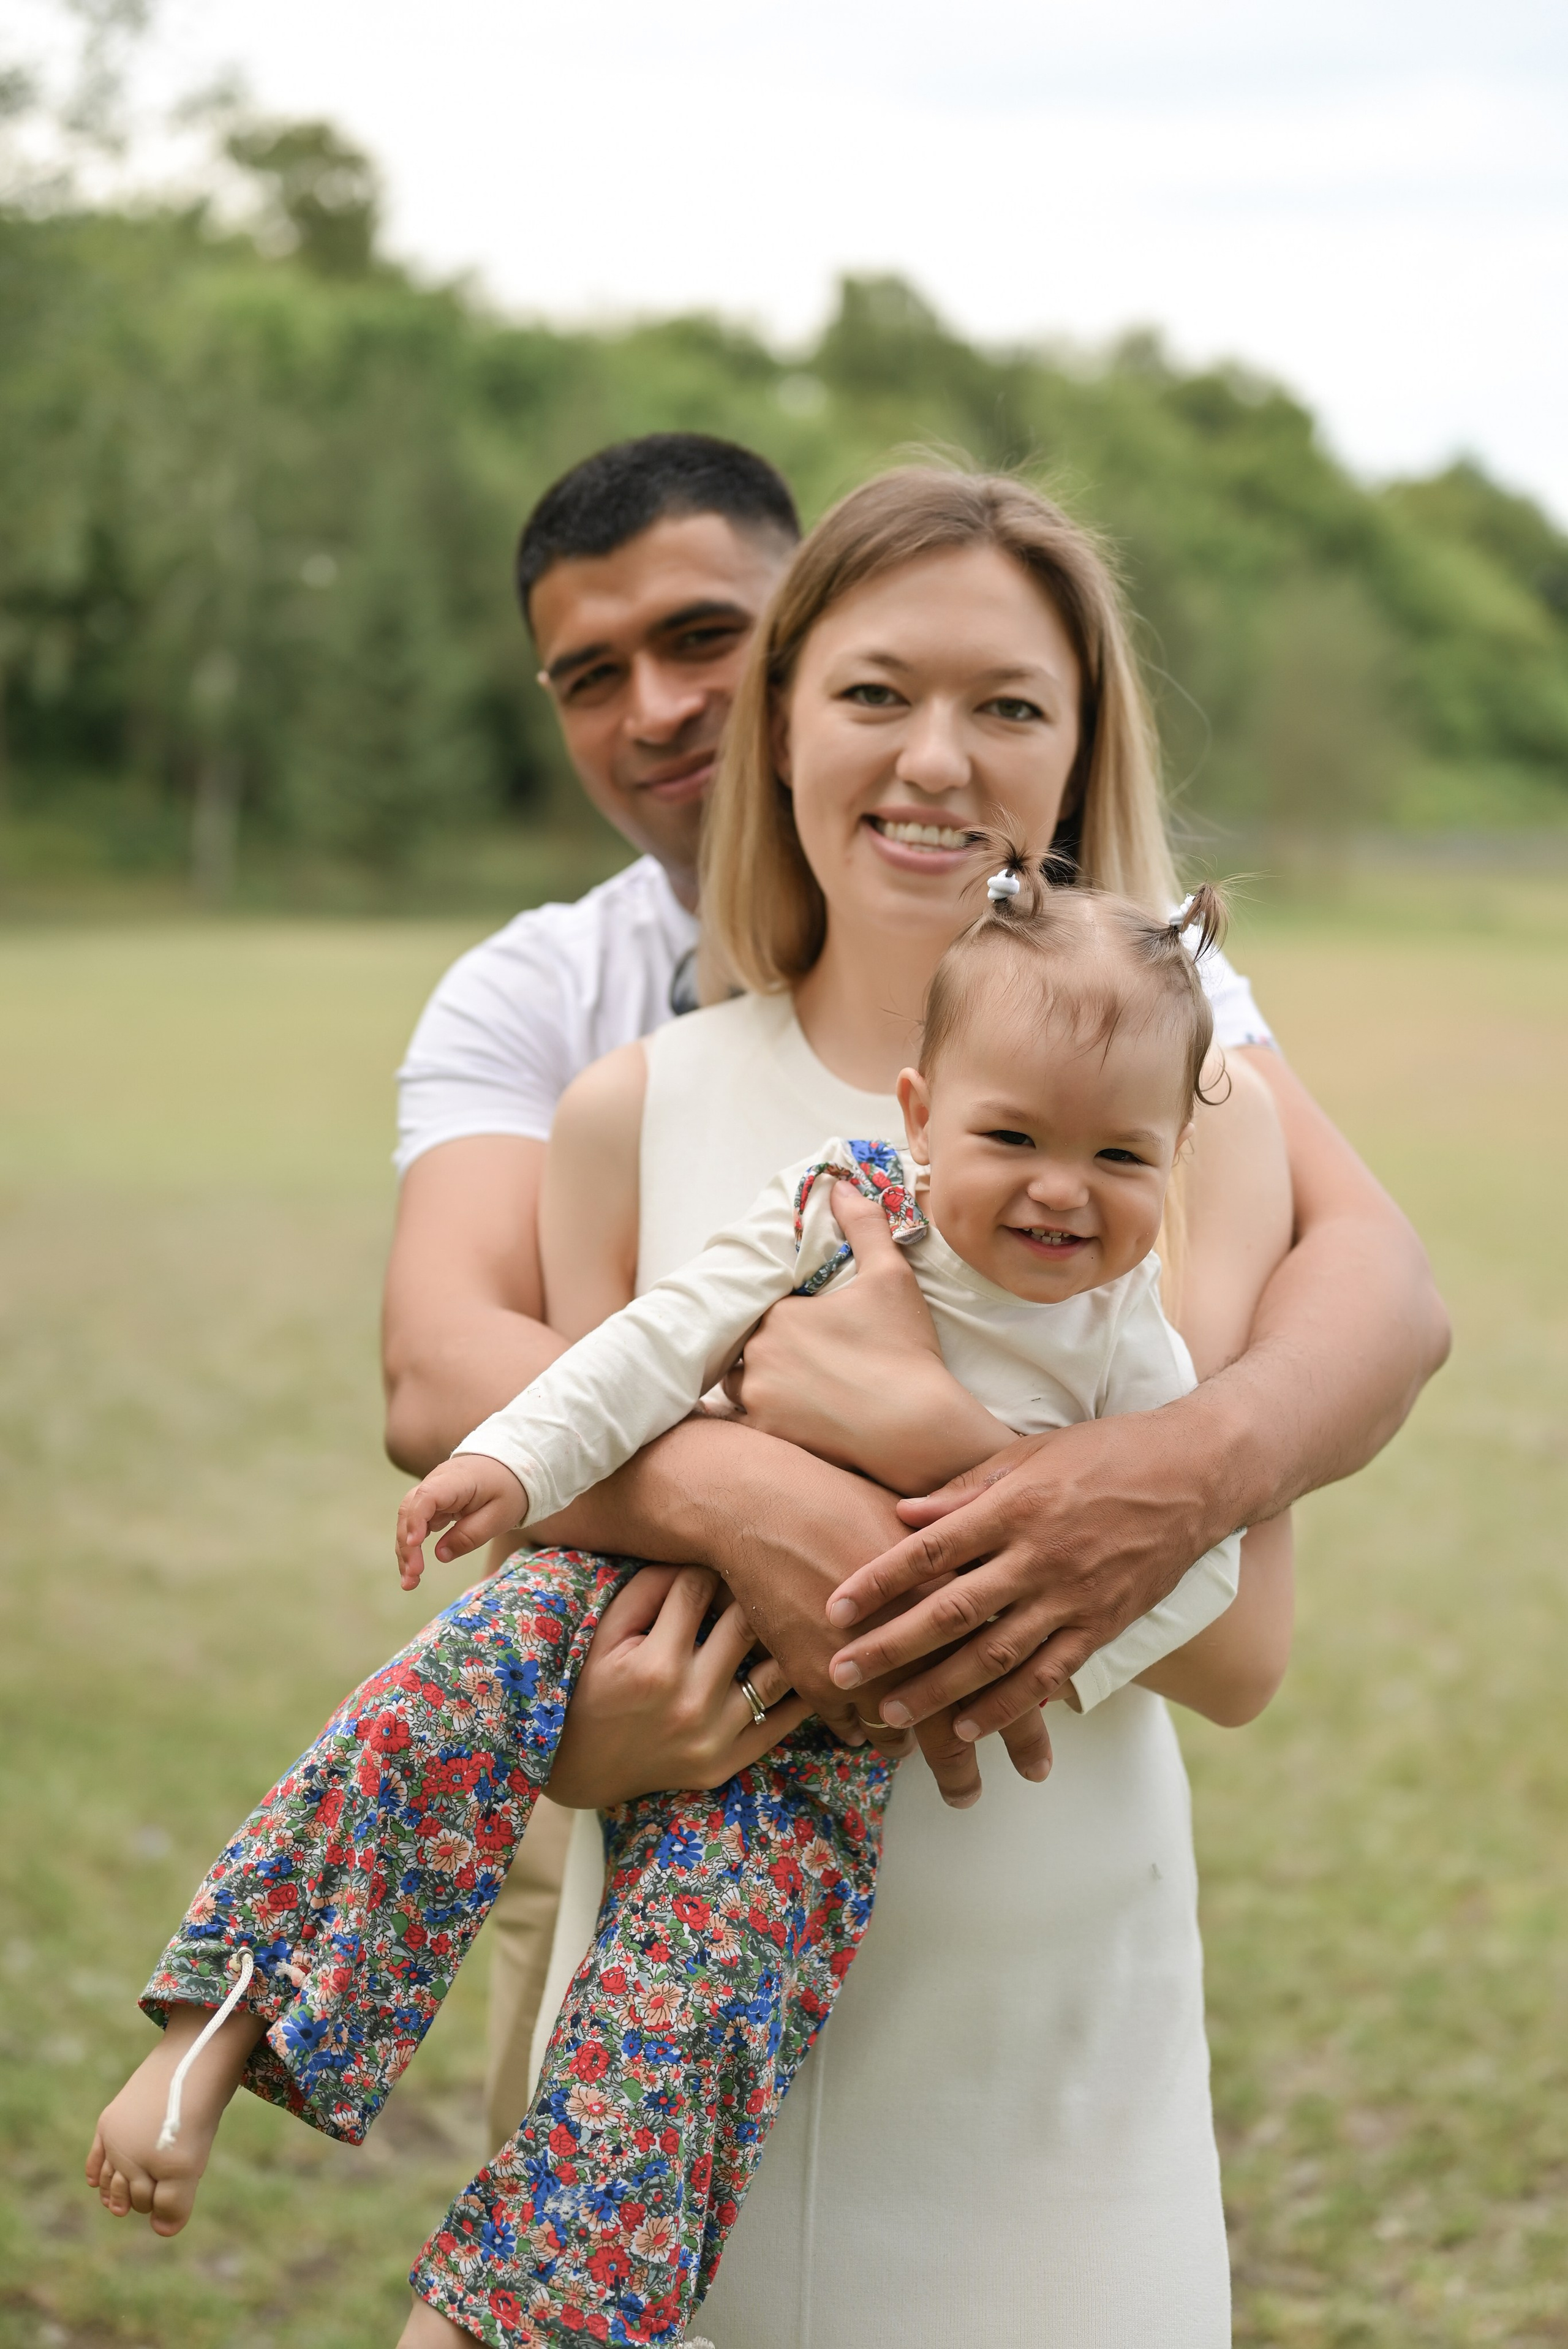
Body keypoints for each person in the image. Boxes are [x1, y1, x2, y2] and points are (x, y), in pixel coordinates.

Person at [90, 464, 1444, 2345]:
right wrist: (582, 1727)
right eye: (877, 693)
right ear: (782, 719)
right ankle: (233, 2024)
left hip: (1043, 2053)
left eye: (1012, 704)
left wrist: (924, 1437)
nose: (938, 759)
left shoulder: (1194, 1120)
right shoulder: (630, 1106)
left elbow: (1235, 1645)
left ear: (1082, 745)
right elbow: (596, 1521)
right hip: (674, 1989)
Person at [85, 867, 1290, 2347]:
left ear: (1173, 1158)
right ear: (921, 1113)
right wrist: (510, 1460)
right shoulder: (842, 1203)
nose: (1060, 1188)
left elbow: (1194, 1565)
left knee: (687, 2009)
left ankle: (499, 2316)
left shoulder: (1124, 1344)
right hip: (624, 1597)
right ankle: (218, 2025)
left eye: (1117, 1154)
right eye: (1012, 1137)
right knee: (439, 1707)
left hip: (822, 1736)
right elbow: (653, 1345)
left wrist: (1013, 1653)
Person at [384, 433, 807, 2148]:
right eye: (590, 675)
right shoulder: (539, 987)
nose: (655, 707)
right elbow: (435, 1372)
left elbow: (1376, 1294)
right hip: (634, 1742)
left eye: (705, 637)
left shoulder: (1053, 950)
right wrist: (769, 1501)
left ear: (819, 615)